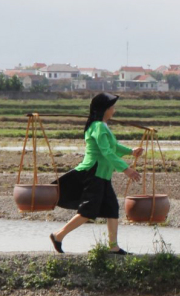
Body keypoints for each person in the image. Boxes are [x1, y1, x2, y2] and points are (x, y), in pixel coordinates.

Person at [50, 93, 142, 254]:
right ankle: (58, 235)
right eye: (111, 107)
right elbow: (106, 151)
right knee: (88, 211)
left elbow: (113, 146)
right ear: (104, 109)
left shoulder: (102, 126)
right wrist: (126, 169)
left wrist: (131, 151)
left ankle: (113, 246)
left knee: (112, 209)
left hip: (103, 175)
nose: (114, 109)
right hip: (93, 173)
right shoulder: (98, 126)